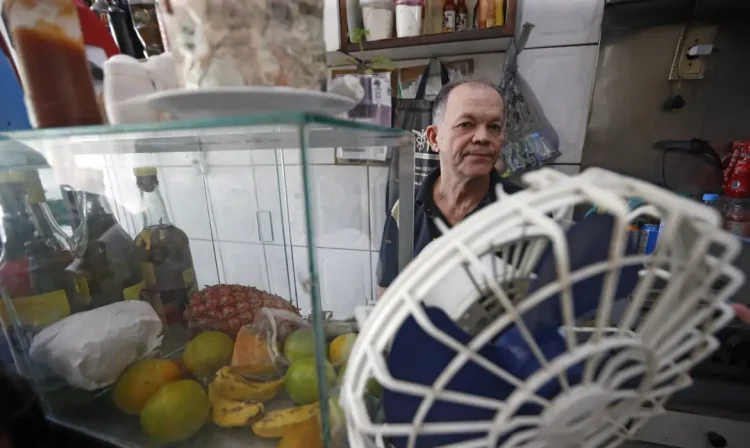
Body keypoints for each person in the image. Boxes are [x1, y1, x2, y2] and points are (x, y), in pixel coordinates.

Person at [377, 78, 522, 295]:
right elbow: (387, 291)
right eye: (466, 124)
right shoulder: (405, 210)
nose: (482, 137)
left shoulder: (525, 211)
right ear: (434, 138)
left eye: (494, 127)